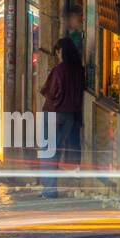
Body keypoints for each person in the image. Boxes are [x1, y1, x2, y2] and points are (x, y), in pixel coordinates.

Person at [40, 37, 86, 198]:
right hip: (70, 116)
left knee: (48, 152)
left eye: (57, 52)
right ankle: (49, 187)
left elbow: (50, 92)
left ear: (61, 52)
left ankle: (49, 189)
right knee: (57, 150)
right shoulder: (79, 70)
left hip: (53, 113)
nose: (57, 56)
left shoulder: (58, 70)